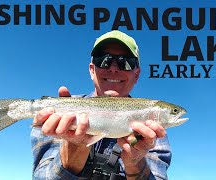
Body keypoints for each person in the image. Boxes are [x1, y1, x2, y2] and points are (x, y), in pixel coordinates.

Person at [31, 30, 172, 180]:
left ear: (136, 75)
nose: (113, 68)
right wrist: (74, 150)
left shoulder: (152, 132)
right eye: (103, 60)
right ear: (92, 70)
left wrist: (135, 162)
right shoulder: (57, 113)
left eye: (125, 62)